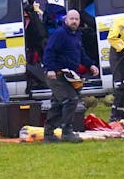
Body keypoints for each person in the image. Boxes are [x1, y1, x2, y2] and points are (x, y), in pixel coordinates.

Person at [42, 10, 99, 143]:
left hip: (69, 75)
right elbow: (49, 51)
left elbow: (81, 53)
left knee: (57, 104)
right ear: (66, 20)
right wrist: (50, 69)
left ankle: (49, 133)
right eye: (72, 19)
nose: (74, 21)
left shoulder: (77, 34)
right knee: (70, 100)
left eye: (76, 19)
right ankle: (67, 132)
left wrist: (91, 65)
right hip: (56, 74)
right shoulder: (60, 34)